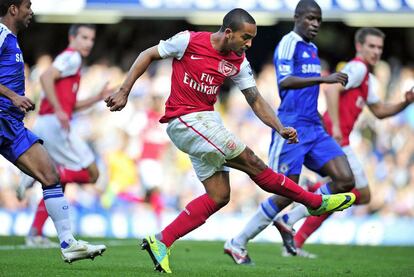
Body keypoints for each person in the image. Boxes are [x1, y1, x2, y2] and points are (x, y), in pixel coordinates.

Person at [105, 7, 355, 273]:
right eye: (245, 37)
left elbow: (255, 99)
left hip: (207, 122)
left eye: (252, 39)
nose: (249, 44)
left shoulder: (238, 60)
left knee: (219, 196)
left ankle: (161, 241)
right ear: (227, 33)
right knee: (253, 162)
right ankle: (314, 202)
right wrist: (124, 90)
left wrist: (280, 127)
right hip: (185, 120)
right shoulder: (188, 40)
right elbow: (149, 54)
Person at [225, 0, 357, 264]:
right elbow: (284, 81)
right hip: (292, 125)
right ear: (297, 17)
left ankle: (289, 220)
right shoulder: (289, 42)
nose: (315, 24)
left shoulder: (312, 48)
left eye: (319, 19)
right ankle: (237, 242)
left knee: (345, 180)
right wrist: (324, 78)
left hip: (314, 126)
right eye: (310, 18)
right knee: (287, 191)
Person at [273, 27, 414, 258]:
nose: (376, 51)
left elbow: (379, 110)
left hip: (337, 138)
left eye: (379, 47)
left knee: (335, 199)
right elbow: (330, 89)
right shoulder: (357, 68)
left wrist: (405, 103)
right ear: (359, 47)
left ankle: (297, 238)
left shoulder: (366, 77)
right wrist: (336, 126)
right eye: (371, 46)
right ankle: (308, 199)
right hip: (335, 138)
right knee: (362, 194)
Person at [0, 0, 105, 263]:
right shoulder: (1, 34)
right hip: (3, 116)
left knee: (50, 175)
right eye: (27, 6)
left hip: (12, 124)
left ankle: (68, 244)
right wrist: (13, 96)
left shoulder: (12, 40)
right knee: (78, 173)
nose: (30, 11)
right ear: (13, 9)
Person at [16, 23, 113, 247]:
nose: (88, 42)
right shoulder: (71, 58)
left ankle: (35, 233)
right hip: (55, 125)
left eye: (91, 39)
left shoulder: (73, 64)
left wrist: (97, 97)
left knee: (58, 184)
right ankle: (34, 174)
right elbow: (45, 77)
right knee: (92, 173)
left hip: (49, 123)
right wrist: (58, 109)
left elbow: (72, 106)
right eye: (84, 37)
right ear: (72, 38)